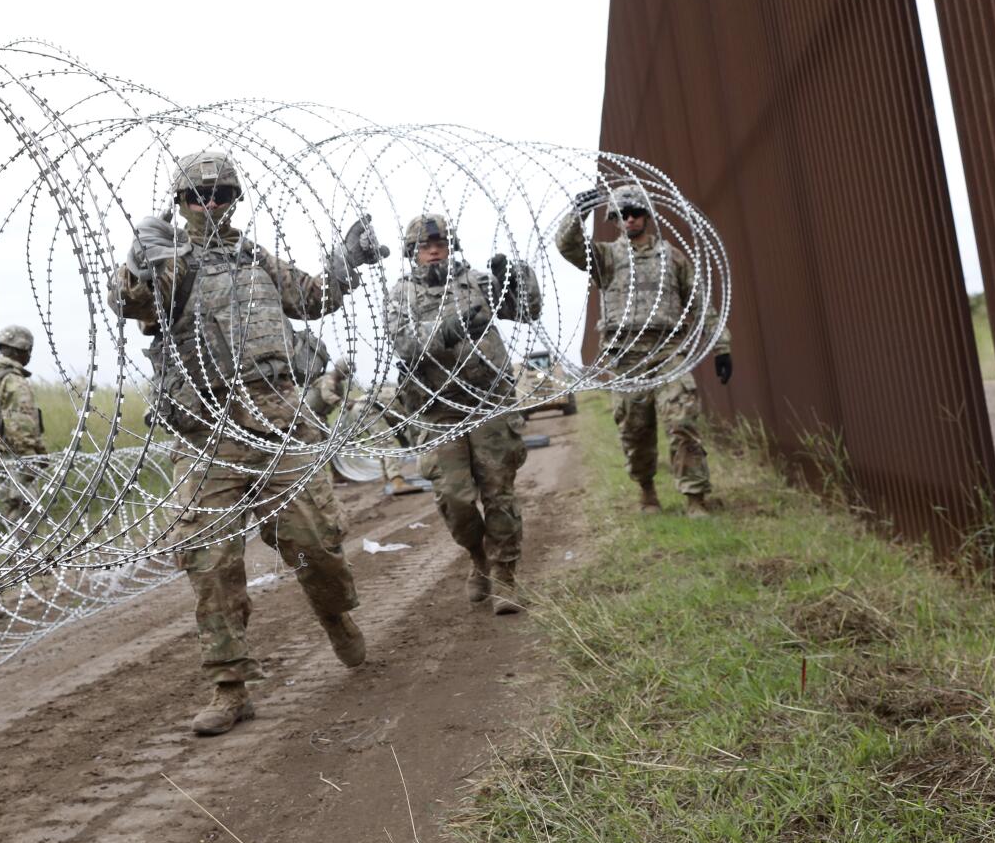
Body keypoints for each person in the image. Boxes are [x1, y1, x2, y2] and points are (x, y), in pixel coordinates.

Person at [113, 149, 385, 735]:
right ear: (180, 204)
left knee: (315, 540)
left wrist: (347, 260)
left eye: (221, 194)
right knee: (211, 563)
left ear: (234, 199)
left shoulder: (255, 257)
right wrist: (140, 260)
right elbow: (131, 302)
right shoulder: (171, 265)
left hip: (279, 418)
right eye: (197, 196)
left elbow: (314, 299)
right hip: (209, 428)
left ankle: (335, 614)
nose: (209, 205)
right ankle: (230, 687)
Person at [388, 212, 540, 613]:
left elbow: (527, 310)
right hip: (439, 410)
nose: (434, 250)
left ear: (451, 245)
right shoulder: (401, 294)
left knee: (499, 495)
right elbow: (404, 345)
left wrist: (518, 276)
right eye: (425, 245)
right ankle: (478, 557)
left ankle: (505, 576)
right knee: (454, 500)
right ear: (413, 252)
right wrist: (449, 330)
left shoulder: (477, 283)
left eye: (440, 243)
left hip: (489, 402)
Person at [557, 186, 732, 514]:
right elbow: (567, 246)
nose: (631, 218)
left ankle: (695, 499)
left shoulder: (673, 257)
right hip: (626, 359)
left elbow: (700, 302)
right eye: (623, 214)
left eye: (637, 212)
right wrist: (578, 214)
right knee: (635, 432)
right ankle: (647, 491)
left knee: (682, 421)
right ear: (614, 220)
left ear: (648, 215)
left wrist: (720, 345)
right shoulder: (606, 258)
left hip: (667, 354)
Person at [0, 324, 45, 524]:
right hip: (18, 457)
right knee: (25, 512)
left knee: (12, 510)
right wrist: (35, 457)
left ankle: (17, 552)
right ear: (20, 350)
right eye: (28, 351)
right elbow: (22, 425)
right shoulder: (14, 381)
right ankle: (23, 554)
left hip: (0, 456)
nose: (29, 356)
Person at [304, 357, 353, 422]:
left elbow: (342, 398)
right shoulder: (328, 379)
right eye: (346, 372)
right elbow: (327, 396)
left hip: (320, 417)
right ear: (339, 369)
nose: (346, 375)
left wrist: (353, 402)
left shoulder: (339, 385)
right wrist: (344, 404)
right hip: (308, 415)